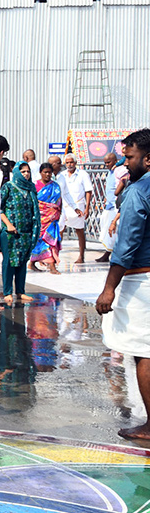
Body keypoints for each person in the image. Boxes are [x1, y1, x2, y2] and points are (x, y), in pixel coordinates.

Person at [97, 129, 150, 442]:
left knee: (145, 354)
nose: (126, 164)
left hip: (141, 279)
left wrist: (108, 288)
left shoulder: (138, 190)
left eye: (130, 158)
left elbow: (126, 245)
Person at [0, 162, 39, 307]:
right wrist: (8, 225)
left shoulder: (31, 189)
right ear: (16, 172)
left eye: (28, 171)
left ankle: (20, 291)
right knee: (9, 262)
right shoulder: (8, 187)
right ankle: (7, 292)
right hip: (10, 233)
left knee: (22, 262)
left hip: (26, 232)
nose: (26, 174)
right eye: (22, 172)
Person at [58, 154, 93, 266]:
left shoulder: (82, 174)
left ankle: (81, 256)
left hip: (78, 206)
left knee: (79, 231)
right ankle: (55, 256)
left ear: (75, 162)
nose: (69, 165)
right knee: (60, 231)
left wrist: (87, 208)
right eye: (67, 162)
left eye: (71, 162)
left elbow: (88, 191)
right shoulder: (61, 175)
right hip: (64, 206)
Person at [30, 163, 62, 274]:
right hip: (39, 219)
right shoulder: (34, 185)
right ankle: (32, 263)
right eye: (45, 172)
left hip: (51, 220)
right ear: (40, 173)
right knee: (38, 241)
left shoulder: (55, 186)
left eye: (50, 172)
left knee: (50, 241)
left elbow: (58, 202)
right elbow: (32, 202)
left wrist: (57, 214)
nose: (48, 174)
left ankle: (52, 265)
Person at [99, 150, 130, 263]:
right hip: (109, 205)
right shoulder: (110, 172)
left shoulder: (119, 170)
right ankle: (108, 253)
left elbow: (124, 181)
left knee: (114, 230)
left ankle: (109, 254)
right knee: (106, 227)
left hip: (117, 205)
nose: (107, 165)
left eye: (109, 162)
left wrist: (117, 193)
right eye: (105, 163)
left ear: (115, 161)